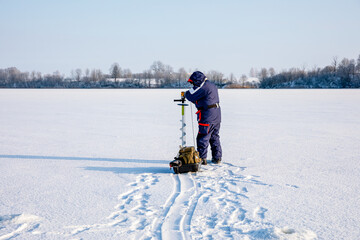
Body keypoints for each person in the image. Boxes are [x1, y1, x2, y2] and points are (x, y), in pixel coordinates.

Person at [185, 71, 222, 164]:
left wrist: (185, 94)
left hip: (207, 116)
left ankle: (202, 158)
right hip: (216, 115)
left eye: (193, 82)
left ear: (197, 80)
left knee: (203, 137)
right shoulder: (211, 85)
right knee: (214, 137)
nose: (193, 84)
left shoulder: (203, 86)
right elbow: (204, 99)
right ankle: (217, 158)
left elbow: (191, 95)